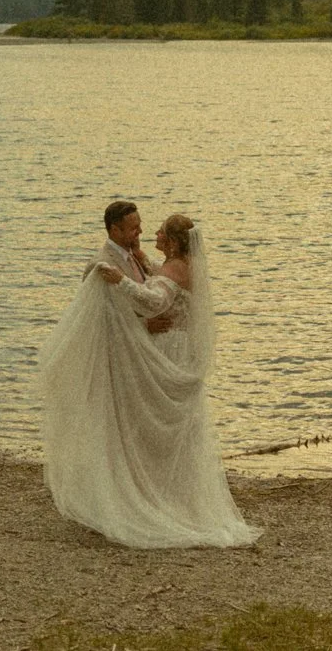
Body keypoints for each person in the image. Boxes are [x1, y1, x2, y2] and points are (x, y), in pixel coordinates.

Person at [38, 206, 259, 549]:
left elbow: (156, 296)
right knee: (156, 427)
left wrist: (123, 280)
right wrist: (137, 290)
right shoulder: (121, 262)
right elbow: (103, 315)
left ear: (171, 243)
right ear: (114, 229)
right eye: (136, 228)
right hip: (148, 354)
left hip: (166, 352)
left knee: (163, 428)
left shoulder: (164, 267)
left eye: (150, 230)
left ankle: (160, 495)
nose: (143, 234)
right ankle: (156, 493)